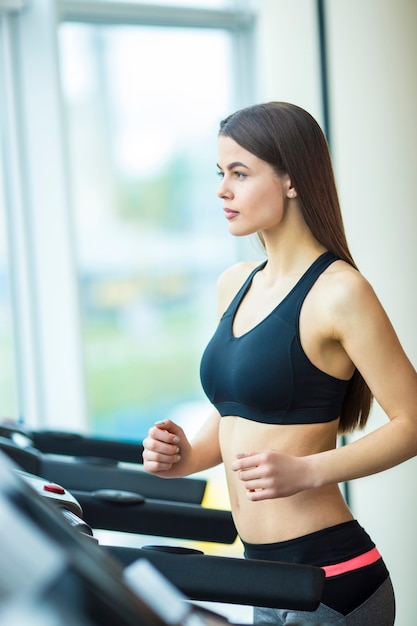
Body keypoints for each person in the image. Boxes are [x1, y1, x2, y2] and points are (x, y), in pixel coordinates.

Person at [142, 102, 417, 625]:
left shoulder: (340, 292)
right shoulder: (237, 284)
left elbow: (414, 423)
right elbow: (239, 413)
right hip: (262, 581)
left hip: (331, 582)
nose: (222, 190)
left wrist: (308, 470)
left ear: (291, 180)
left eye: (239, 174)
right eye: (220, 174)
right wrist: (184, 456)